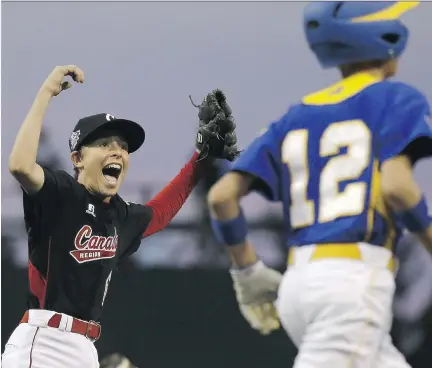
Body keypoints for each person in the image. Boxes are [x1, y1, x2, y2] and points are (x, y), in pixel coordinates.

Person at [207, 2, 432, 367]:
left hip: (300, 283)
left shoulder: (295, 115)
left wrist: (248, 273)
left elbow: (222, 197)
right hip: (352, 282)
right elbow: (397, 187)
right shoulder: (396, 97)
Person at [2, 65, 239, 367]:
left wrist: (200, 159)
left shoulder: (120, 216)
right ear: (77, 158)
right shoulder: (60, 194)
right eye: (104, 144)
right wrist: (46, 93)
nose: (117, 152)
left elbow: (161, 212)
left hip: (85, 348)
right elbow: (21, 166)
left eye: (123, 147)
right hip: (45, 339)